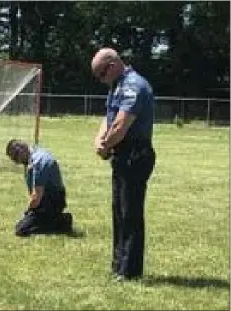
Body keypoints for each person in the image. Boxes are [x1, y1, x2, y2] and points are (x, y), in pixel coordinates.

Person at [91, 47, 156, 281]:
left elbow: (120, 125)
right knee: (118, 211)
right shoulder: (116, 85)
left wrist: (106, 146)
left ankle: (130, 271)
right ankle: (118, 266)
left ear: (112, 66)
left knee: (130, 213)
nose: (101, 80)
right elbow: (108, 118)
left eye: (100, 74)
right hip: (121, 154)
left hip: (135, 155)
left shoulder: (133, 85)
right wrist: (100, 140)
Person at [6, 139, 73, 237]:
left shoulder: (38, 162)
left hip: (51, 200)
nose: (17, 162)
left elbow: (36, 198)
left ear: (22, 149)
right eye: (14, 160)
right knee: (28, 223)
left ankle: (62, 222)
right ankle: (56, 219)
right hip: (49, 198)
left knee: (21, 229)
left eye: (16, 157)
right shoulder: (35, 154)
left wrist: (28, 212)